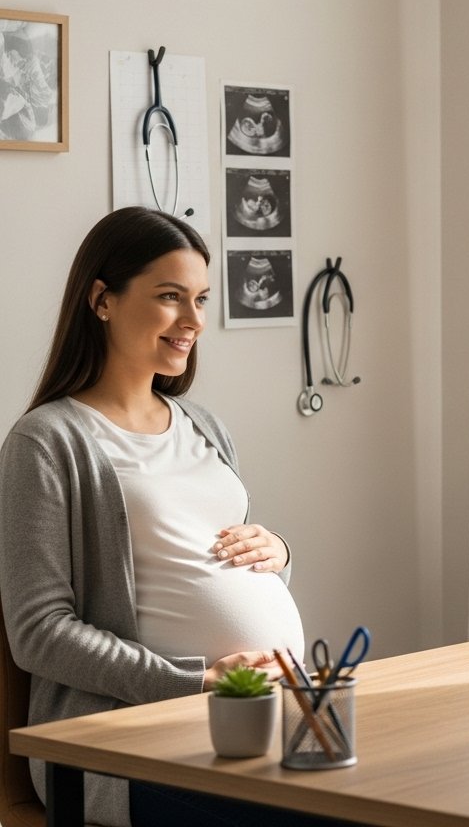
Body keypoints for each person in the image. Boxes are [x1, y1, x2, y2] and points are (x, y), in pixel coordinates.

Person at [0, 207, 349, 827]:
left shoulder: (202, 424)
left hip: (260, 723)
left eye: (202, 300)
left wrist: (278, 553)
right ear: (102, 299)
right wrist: (199, 680)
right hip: (130, 746)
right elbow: (40, 633)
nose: (193, 322)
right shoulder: (46, 441)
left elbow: (206, 564)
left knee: (405, 793)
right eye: (170, 297)